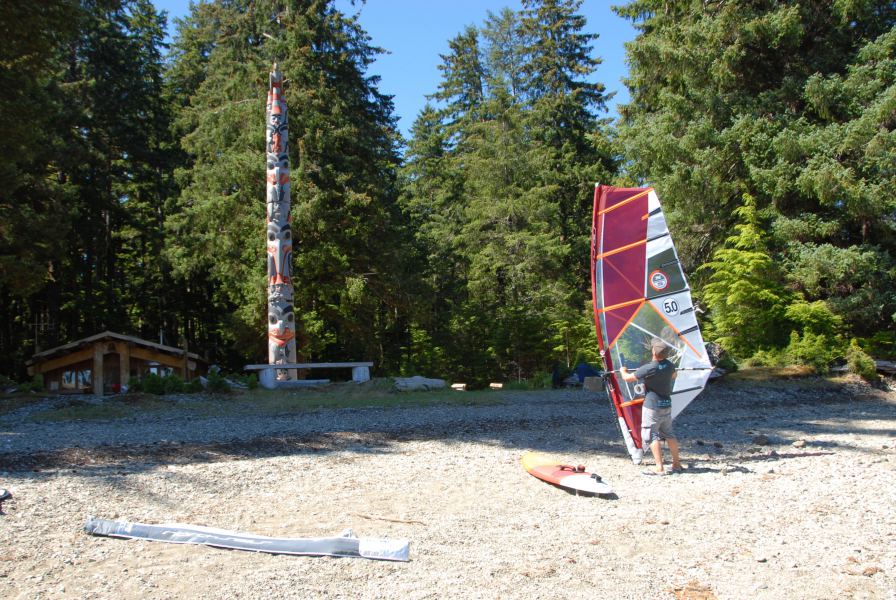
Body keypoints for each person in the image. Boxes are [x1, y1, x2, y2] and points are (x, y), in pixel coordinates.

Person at [619, 338, 683, 476]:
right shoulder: (670, 365)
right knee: (669, 434)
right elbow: (674, 375)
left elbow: (627, 378)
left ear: (654, 351)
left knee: (651, 435)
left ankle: (659, 467)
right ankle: (676, 464)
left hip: (652, 406)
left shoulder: (649, 368)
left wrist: (622, 370)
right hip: (666, 404)